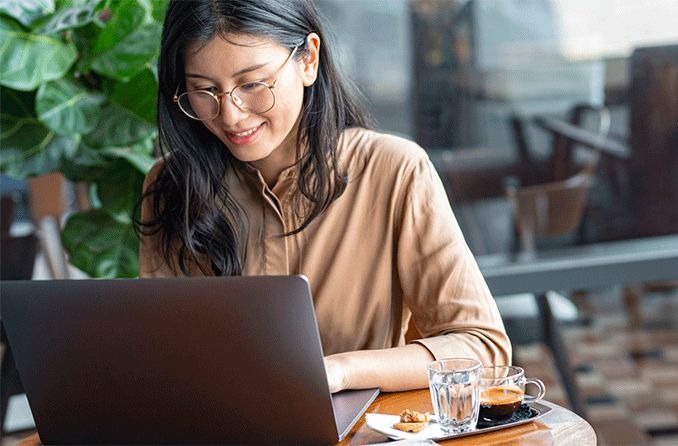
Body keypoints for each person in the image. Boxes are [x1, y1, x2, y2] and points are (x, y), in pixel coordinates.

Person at [136, 0, 511, 393]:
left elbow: (482, 350)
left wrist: (342, 371)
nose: (230, 114)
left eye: (252, 84)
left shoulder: (394, 171)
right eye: (205, 90)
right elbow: (166, 355)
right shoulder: (173, 184)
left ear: (308, 60)